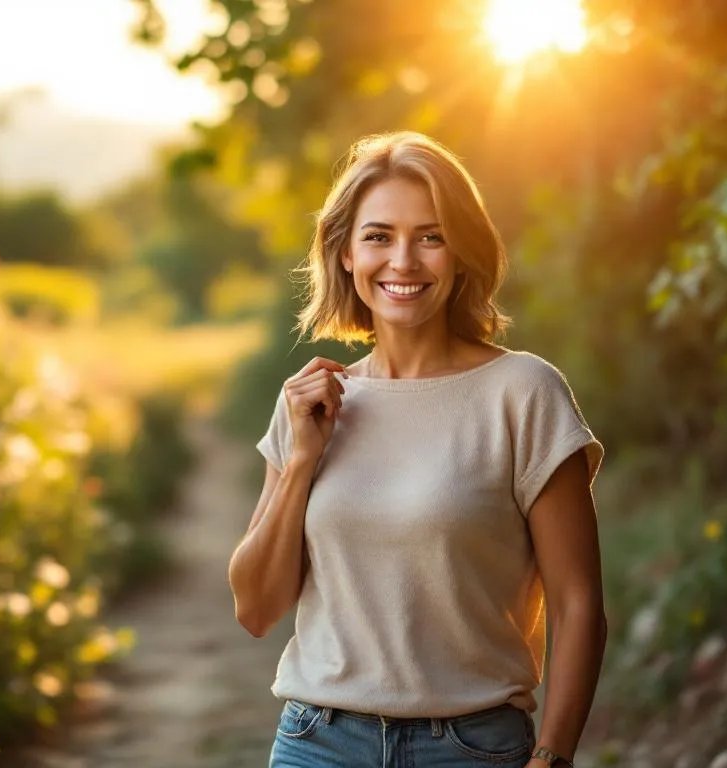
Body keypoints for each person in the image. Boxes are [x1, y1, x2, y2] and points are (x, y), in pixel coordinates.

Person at [228, 131, 607, 768]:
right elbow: (256, 609)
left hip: (473, 748)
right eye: (378, 236)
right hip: (317, 742)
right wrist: (301, 462)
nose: (403, 260)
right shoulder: (311, 404)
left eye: (430, 236)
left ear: (460, 253)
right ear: (345, 254)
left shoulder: (522, 393)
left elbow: (579, 603)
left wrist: (554, 757)